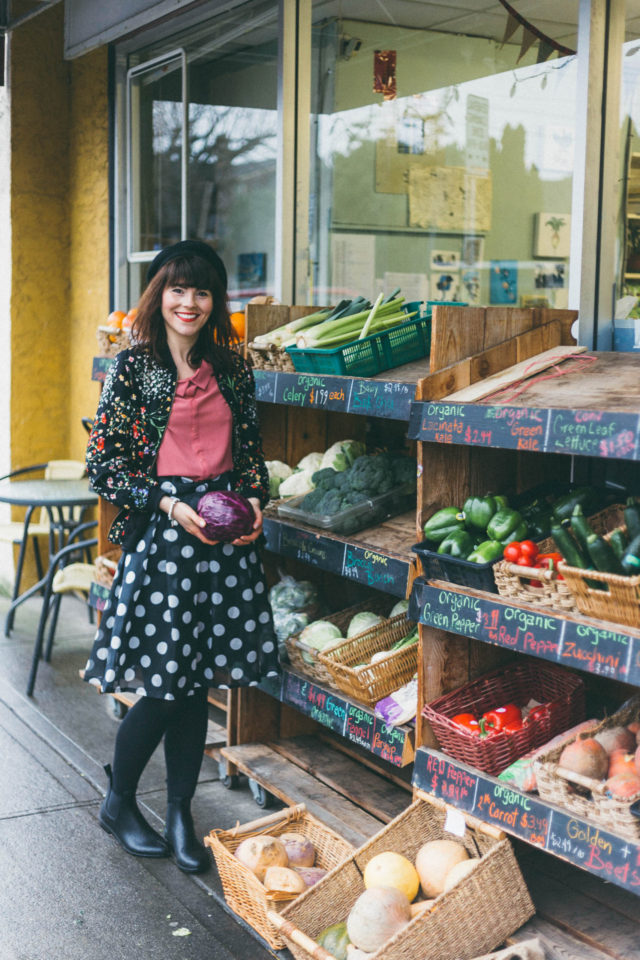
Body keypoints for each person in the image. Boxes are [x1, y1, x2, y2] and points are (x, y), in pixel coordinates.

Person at [83, 240, 279, 874]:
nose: (189, 302)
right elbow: (103, 466)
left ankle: (178, 813)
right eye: (178, 289)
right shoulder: (132, 368)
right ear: (159, 294)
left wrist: (255, 508)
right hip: (167, 541)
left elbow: (251, 458)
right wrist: (168, 505)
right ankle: (118, 802)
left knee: (195, 687)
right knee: (166, 687)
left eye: (202, 291)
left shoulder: (234, 369)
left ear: (216, 301)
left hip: (223, 544)